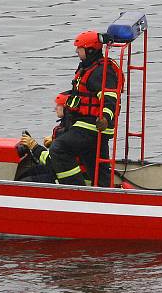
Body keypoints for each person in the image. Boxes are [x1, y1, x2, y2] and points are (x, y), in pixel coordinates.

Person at [20, 30, 123, 186]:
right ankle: (106, 195)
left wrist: (105, 118)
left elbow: (110, 99)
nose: (76, 51)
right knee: (95, 166)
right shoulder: (88, 68)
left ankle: (75, 188)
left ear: (90, 50)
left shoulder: (101, 71)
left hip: (92, 125)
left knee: (59, 148)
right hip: (86, 124)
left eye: (79, 48)